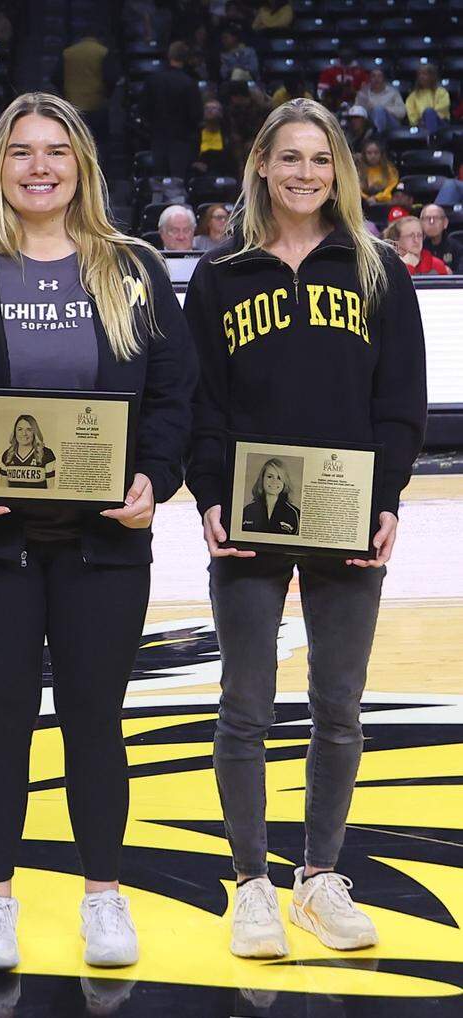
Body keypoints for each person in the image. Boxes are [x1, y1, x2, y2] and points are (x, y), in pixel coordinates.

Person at [0, 91, 197, 974]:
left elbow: (174, 396)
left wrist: (157, 479)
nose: (40, 167)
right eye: (22, 151)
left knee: (95, 720)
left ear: (82, 167)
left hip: (102, 541)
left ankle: (102, 895)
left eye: (56, 152)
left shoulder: (131, 266)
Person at [184, 98, 427, 962]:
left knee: (339, 706)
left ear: (340, 172)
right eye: (288, 157)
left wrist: (389, 495)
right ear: (260, 165)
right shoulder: (220, 275)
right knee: (244, 705)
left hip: (345, 507)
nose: (303, 174)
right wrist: (208, 495)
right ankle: (251, 882)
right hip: (250, 514)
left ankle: (320, 877)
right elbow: (200, 405)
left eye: (319, 160)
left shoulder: (374, 269)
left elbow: (399, 402)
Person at [145, 41, 202, 178]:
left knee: (159, 183)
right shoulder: (189, 83)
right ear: (186, 58)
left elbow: (143, 110)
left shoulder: (153, 80)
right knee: (179, 184)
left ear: (169, 56)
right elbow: (196, 115)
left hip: (158, 139)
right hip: (182, 141)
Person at [240, 458, 299, 534]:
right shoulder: (247, 511)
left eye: (279, 478)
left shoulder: (294, 514)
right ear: (262, 479)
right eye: (269, 477)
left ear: (284, 482)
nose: (274, 481)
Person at [0, 415, 56, 488]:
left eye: (29, 429)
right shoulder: (7, 455)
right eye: (20, 429)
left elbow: (51, 490)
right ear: (15, 432)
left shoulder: (47, 454)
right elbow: (3, 489)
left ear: (34, 432)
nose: (24, 433)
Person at [384, 214, 449, 275]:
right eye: (410, 236)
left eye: (419, 235)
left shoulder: (437, 265)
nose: (416, 240)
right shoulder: (389, 266)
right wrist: (408, 267)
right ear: (397, 239)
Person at [355, 68, 407, 135]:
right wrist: (368, 109)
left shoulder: (393, 92)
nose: (376, 79)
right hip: (369, 123)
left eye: (379, 76)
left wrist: (384, 109)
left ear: (384, 79)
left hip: (390, 125)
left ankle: (377, 138)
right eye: (373, 76)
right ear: (369, 79)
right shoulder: (363, 94)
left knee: (379, 110)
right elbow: (356, 113)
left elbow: (402, 112)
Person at [419, 203, 463, 273]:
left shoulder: (457, 248)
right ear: (420, 223)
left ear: (445, 223)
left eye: (436, 218)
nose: (431, 222)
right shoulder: (414, 248)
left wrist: (451, 274)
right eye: (427, 218)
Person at [405, 64, 450, 131]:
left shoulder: (442, 92)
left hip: (440, 122)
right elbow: (411, 114)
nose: (421, 77)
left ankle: (431, 139)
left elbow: (442, 109)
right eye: (419, 74)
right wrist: (419, 121)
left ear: (432, 76)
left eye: (424, 74)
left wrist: (427, 117)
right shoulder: (413, 96)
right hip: (420, 124)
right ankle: (431, 139)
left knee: (429, 112)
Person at [357, 139, 398, 205]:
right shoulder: (360, 170)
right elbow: (357, 188)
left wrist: (376, 198)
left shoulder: (389, 169)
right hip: (364, 201)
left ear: (381, 154)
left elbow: (391, 186)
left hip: (384, 201)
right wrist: (367, 198)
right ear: (364, 154)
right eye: (369, 153)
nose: (373, 156)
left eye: (376, 153)